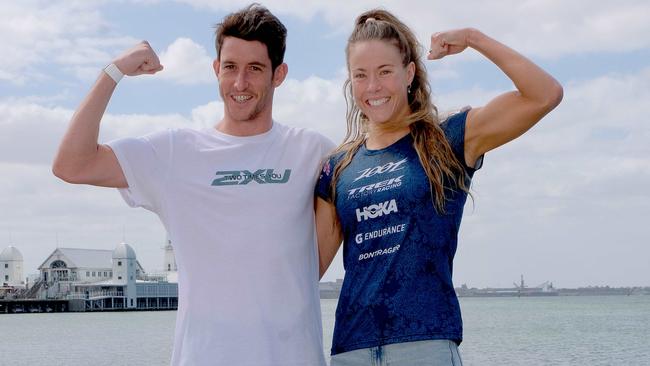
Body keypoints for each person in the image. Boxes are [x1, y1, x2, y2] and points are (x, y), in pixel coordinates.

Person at [53, 4, 333, 366]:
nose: (240, 83)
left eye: (255, 69)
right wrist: (114, 70)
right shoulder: (175, 153)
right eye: (230, 67)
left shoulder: (314, 151)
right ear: (216, 69)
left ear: (279, 75)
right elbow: (71, 164)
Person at [315, 9, 563, 366]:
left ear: (410, 73)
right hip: (351, 348)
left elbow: (544, 95)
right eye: (361, 75)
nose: (373, 87)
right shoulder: (337, 167)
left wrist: (475, 37)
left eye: (385, 72)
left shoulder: (448, 139)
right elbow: (307, 270)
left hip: (426, 344)